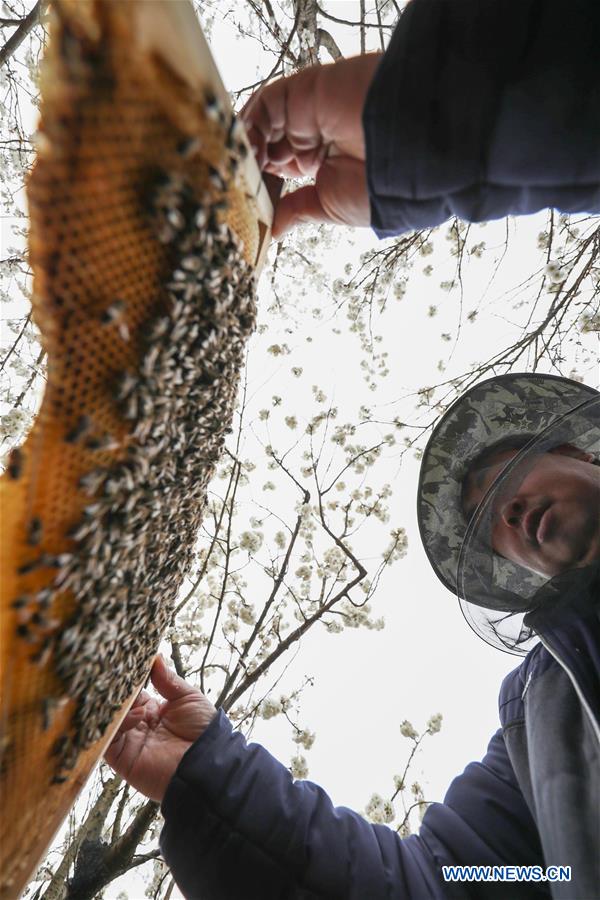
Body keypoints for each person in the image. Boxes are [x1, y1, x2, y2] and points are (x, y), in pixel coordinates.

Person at [107, 1, 600, 896]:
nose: (508, 515)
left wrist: (440, 117)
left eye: (509, 477)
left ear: (585, 453)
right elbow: (453, 888)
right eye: (492, 526)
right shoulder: (544, 726)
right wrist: (213, 784)